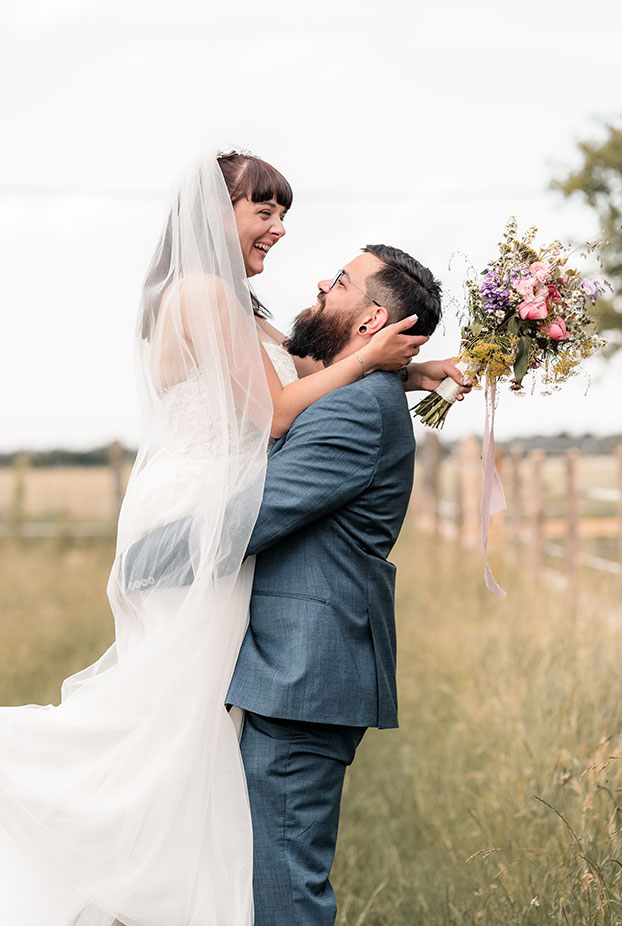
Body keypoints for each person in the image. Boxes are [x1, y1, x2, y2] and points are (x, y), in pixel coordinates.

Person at [0, 150, 464, 926]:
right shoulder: (210, 290)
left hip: (221, 523)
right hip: (200, 515)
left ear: (374, 317)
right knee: (165, 731)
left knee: (179, 747)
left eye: (283, 214)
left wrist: (405, 370)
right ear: (216, 214)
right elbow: (280, 411)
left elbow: (303, 370)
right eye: (266, 211)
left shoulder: (243, 304)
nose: (281, 231)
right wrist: (380, 363)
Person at [227, 244, 445, 925]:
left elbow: (246, 523)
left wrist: (147, 550)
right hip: (290, 673)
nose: (323, 280)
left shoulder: (353, 413)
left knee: (284, 889)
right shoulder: (354, 394)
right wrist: (414, 373)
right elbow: (307, 365)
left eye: (342, 281)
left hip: (303, 679)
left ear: (372, 318)